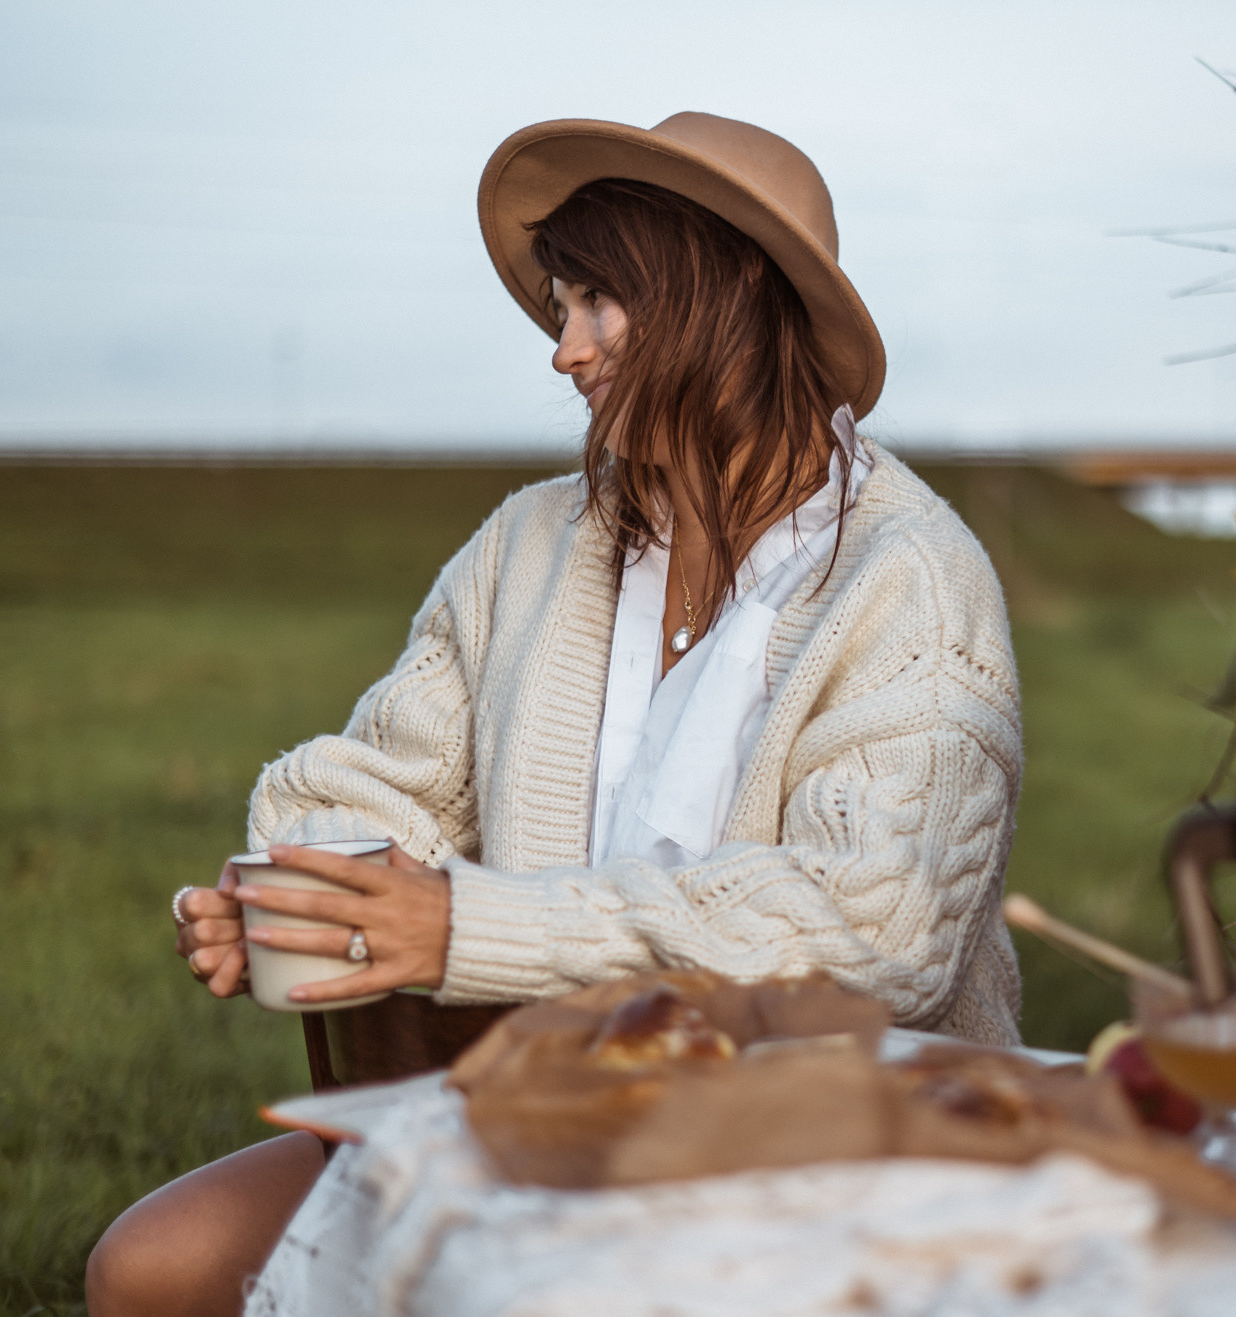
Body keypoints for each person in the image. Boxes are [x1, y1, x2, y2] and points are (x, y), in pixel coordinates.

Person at [84, 112, 1025, 1316]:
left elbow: (870, 933)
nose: (563, 351)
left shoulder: (912, 581)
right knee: (150, 1270)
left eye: (597, 303)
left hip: (842, 1150)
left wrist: (465, 931)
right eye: (560, 304)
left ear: (727, 291)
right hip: (541, 1119)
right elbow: (380, 784)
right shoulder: (530, 546)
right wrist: (305, 889)